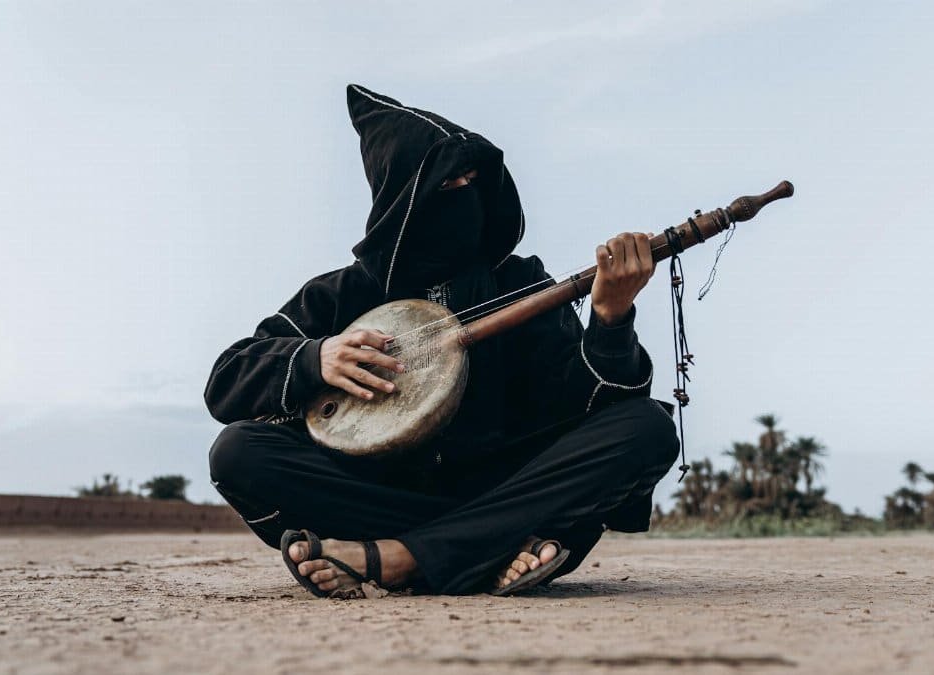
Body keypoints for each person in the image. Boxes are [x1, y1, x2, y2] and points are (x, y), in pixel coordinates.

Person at [205, 84, 679, 597]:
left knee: (646, 428)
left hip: (507, 483)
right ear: (401, 196)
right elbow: (227, 379)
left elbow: (581, 406)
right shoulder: (342, 295)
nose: (466, 195)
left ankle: (399, 558)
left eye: (474, 181)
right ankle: (484, 548)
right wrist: (317, 358)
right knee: (237, 452)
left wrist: (611, 319)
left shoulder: (518, 282)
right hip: (393, 497)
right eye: (448, 183)